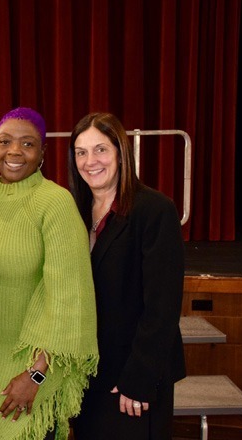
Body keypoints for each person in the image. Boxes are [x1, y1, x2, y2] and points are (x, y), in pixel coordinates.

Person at [0, 107, 98, 440]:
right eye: (5, 142)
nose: (14, 152)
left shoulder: (55, 203)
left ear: (42, 153)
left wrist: (36, 376)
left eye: (27, 144)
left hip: (21, 369)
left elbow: (69, 299)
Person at [68, 112, 185, 439]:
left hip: (133, 381)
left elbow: (162, 307)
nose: (91, 161)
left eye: (101, 150)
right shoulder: (73, 210)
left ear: (120, 152)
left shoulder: (154, 210)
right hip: (90, 376)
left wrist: (139, 380)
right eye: (81, 152)